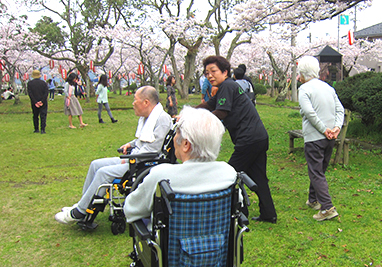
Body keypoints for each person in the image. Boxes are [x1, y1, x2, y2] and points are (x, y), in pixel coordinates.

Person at [55, 86, 172, 224]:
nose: (133, 103)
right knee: (95, 164)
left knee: (103, 173)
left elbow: (153, 149)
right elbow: (144, 139)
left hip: (144, 163)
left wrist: (131, 158)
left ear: (146, 102)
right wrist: (131, 144)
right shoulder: (149, 118)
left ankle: (79, 212)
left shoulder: (162, 119)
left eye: (135, 100)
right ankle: (83, 203)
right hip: (136, 158)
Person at [196, 55, 277, 224]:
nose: (210, 76)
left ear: (225, 72)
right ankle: (269, 214)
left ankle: (238, 213)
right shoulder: (228, 86)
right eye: (206, 73)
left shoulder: (226, 85)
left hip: (248, 139)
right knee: (259, 177)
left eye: (213, 71)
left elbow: (222, 112)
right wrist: (189, 112)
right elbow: (210, 105)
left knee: (229, 174)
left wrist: (199, 121)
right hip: (259, 137)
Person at [124, 106, 237, 223]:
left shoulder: (161, 176)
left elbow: (131, 210)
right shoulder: (228, 173)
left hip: (171, 240)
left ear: (186, 144)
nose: (174, 137)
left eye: (177, 132)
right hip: (218, 239)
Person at [298, 56, 344, 221]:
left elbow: (309, 113)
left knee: (316, 172)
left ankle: (327, 208)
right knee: (319, 171)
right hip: (330, 137)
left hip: (315, 137)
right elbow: (340, 109)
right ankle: (313, 199)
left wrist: (324, 130)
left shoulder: (304, 89)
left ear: (303, 73)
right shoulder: (328, 87)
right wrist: (336, 128)